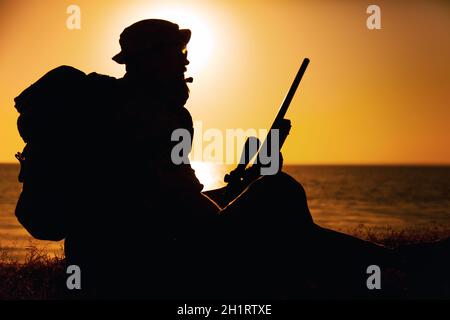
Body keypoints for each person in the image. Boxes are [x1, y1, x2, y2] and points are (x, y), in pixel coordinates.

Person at [15, 19, 393, 299]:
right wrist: (255, 187)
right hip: (142, 274)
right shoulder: (145, 116)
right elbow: (193, 219)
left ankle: (384, 265)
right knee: (278, 193)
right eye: (177, 53)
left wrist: (242, 186)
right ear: (150, 59)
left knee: (273, 200)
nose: (185, 62)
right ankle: (389, 267)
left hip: (112, 268)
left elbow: (178, 203)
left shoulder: (115, 107)